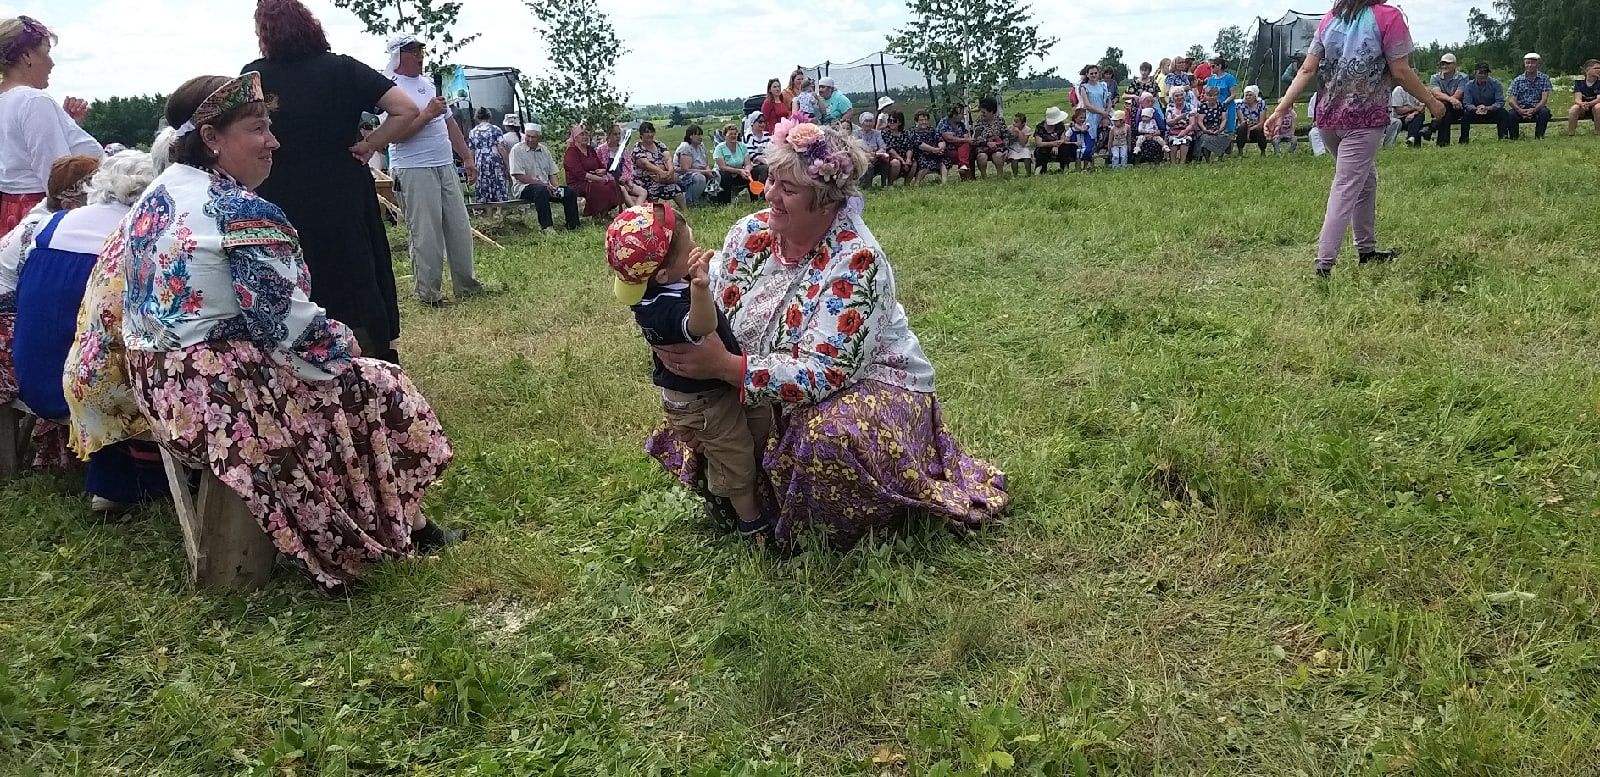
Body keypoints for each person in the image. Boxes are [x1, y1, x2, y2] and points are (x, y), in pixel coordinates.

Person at [69, 73, 459, 589]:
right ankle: (405, 523)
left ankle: (393, 514)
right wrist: (351, 348)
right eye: (258, 128)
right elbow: (289, 332)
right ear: (211, 138)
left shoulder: (158, 193)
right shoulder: (240, 212)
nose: (273, 140)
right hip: (219, 396)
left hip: (160, 388)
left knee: (346, 376)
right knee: (379, 382)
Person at [644, 121, 1008, 546]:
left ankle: (822, 526)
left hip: (871, 380)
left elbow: (825, 373)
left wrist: (728, 369)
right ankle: (751, 499)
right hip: (759, 373)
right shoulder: (750, 233)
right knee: (704, 406)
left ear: (827, 203)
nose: (772, 196)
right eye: (771, 180)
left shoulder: (857, 260)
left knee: (829, 437)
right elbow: (710, 307)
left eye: (789, 190)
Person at [245, 0, 423, 362]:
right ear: (311, 25)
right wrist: (371, 144)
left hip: (282, 191)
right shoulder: (342, 69)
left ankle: (302, 356)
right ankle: (373, 354)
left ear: (264, 32)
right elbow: (406, 109)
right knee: (356, 266)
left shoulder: (255, 75)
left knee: (297, 272)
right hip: (343, 187)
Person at [1, 152, 167, 510]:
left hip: (31, 375)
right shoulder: (135, 236)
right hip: (82, 388)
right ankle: (127, 482)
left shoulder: (50, 225)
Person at [606, 204, 771, 536]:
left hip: (711, 393)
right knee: (735, 456)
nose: (696, 248)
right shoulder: (665, 308)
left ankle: (728, 487)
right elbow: (702, 325)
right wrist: (700, 289)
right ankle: (749, 521)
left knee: (756, 424)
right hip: (703, 402)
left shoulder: (656, 289)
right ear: (664, 274)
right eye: (689, 245)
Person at [1268, 0, 1442, 277]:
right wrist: (1432, 101)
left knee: (1365, 180)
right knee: (1346, 186)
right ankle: (1324, 263)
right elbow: (1401, 70)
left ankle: (1367, 250)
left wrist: (1281, 108)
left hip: (1327, 119)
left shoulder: (1331, 19)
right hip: (1364, 119)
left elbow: (1306, 70)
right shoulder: (1388, 16)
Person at [381, 35, 486, 307]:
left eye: (421, 50)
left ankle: (467, 285)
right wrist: (426, 114)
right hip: (413, 167)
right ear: (399, 56)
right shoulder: (389, 89)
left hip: (444, 164)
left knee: (459, 227)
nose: (420, 56)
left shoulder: (428, 83)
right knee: (426, 233)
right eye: (414, 51)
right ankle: (429, 294)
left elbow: (449, 123)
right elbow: (395, 136)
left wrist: (467, 157)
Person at [0, 15, 100, 235]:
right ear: (26, 55)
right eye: (46, 52)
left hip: (11, 213)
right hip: (40, 216)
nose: (52, 63)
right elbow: (58, 178)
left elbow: (18, 155)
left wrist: (65, 126)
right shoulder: (33, 101)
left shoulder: (6, 100)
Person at [509, 124, 580, 231]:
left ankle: (573, 225)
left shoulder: (544, 150)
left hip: (546, 187)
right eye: (528, 136)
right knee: (540, 190)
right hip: (524, 188)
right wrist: (543, 184)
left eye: (533, 137)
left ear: (539, 138)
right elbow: (519, 175)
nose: (530, 139)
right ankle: (547, 227)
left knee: (569, 191)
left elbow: (552, 172)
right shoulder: (517, 150)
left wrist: (555, 187)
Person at [564, 123, 624, 220]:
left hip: (595, 179)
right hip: (578, 182)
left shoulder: (590, 149)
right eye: (582, 134)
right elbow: (580, 174)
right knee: (600, 188)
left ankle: (604, 212)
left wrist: (603, 171)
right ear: (575, 137)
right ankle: (593, 214)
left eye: (587, 134)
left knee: (614, 186)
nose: (585, 137)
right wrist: (598, 179)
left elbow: (601, 165)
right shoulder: (572, 152)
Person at [632, 121, 685, 210]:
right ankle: (653, 211)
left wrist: (670, 171)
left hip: (663, 177)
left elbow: (668, 158)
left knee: (674, 188)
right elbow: (645, 164)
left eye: (651, 132)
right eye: (646, 132)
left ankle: (685, 210)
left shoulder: (660, 145)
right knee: (655, 188)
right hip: (646, 180)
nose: (650, 134)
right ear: (641, 135)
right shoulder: (638, 148)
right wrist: (661, 172)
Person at [598, 122, 648, 208]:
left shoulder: (623, 149)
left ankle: (635, 211)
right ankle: (635, 212)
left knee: (643, 192)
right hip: (609, 181)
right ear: (609, 135)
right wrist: (617, 181)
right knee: (623, 190)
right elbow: (601, 167)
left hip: (624, 179)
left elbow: (628, 166)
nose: (618, 136)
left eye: (619, 134)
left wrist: (626, 179)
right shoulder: (601, 150)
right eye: (615, 134)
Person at [1505, 52, 1553, 140]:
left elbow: (1544, 99)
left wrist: (1534, 110)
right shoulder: (1517, 80)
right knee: (1510, 114)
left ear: (1538, 64)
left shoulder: (1544, 78)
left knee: (1545, 112)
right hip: (1521, 107)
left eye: (1532, 63)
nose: (1530, 65)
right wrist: (1520, 111)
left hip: (1537, 107)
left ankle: (1539, 137)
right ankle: (1514, 138)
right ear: (1524, 64)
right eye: (1527, 63)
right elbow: (1511, 100)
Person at [466, 108, 510, 202]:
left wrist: (472, 166)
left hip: (480, 160)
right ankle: (499, 210)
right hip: (494, 159)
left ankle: (488, 210)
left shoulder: (473, 132)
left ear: (477, 117)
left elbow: (471, 151)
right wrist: (507, 164)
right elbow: (501, 148)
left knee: (483, 184)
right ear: (489, 116)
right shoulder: (495, 129)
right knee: (497, 182)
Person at [1461, 63, 1509, 143]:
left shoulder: (1496, 84)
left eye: (1485, 73)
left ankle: (1503, 138)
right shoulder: (1469, 85)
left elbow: (1500, 102)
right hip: (1475, 111)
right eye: (1480, 73)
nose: (1483, 75)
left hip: (1491, 111)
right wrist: (1476, 108)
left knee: (1503, 113)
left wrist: (1488, 108)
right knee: (1465, 115)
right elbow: (1467, 103)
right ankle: (1463, 140)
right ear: (1475, 73)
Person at [711, 123, 759, 203]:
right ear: (724, 136)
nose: (733, 136)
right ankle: (725, 202)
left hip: (739, 173)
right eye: (730, 134)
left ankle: (755, 200)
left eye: (735, 134)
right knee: (725, 175)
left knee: (753, 172)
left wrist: (747, 171)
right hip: (722, 175)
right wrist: (739, 171)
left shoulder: (742, 146)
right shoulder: (719, 148)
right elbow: (722, 167)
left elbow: (748, 163)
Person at [1428, 53, 1469, 146]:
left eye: (1448, 63)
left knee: (1445, 109)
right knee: (1446, 111)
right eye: (1443, 64)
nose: (1444, 66)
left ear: (1455, 65)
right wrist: (1450, 100)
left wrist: (1450, 100)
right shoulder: (1434, 77)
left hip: (1458, 107)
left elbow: (1459, 94)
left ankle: (1433, 129)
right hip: (1442, 107)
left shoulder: (1463, 77)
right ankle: (1442, 142)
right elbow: (1436, 94)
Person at [1076, 65, 1111, 165]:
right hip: (1091, 117)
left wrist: (1106, 114)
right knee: (1089, 147)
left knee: (1107, 140)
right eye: (1091, 73)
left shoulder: (1103, 85)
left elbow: (1109, 102)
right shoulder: (1084, 88)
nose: (1094, 75)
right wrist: (1102, 112)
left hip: (1104, 117)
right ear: (1087, 74)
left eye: (1095, 73)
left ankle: (1108, 163)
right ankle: (1087, 165)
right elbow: (1087, 105)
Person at [675, 124, 714, 205]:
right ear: (691, 136)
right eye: (698, 134)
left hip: (700, 171)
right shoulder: (685, 147)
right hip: (682, 176)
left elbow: (705, 163)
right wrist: (704, 172)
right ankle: (691, 201)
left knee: (716, 175)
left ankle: (709, 197)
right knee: (700, 178)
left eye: (701, 135)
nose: (700, 137)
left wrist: (709, 171)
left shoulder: (701, 146)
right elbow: (685, 169)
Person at [853, 112, 894, 187]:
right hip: (861, 158)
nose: (868, 124)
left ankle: (884, 185)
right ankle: (867, 186)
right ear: (862, 122)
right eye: (866, 121)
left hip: (875, 156)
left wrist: (875, 154)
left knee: (885, 161)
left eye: (870, 121)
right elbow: (855, 148)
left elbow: (883, 147)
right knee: (869, 164)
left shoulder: (877, 133)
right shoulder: (856, 133)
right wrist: (867, 155)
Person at [971, 97, 1008, 179]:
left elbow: (1005, 135)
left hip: (997, 147)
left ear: (991, 111)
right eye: (981, 112)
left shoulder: (1000, 121)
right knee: (981, 157)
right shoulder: (979, 122)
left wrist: (1006, 148)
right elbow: (976, 138)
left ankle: (1000, 176)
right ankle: (984, 177)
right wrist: (986, 142)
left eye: (984, 112)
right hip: (983, 147)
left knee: (998, 156)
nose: (982, 114)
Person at [908, 110, 947, 184]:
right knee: (926, 163)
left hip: (935, 152)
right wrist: (933, 149)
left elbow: (940, 139)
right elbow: (919, 144)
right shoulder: (912, 131)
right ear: (916, 121)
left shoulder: (932, 129)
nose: (924, 122)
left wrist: (941, 148)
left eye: (926, 120)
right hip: (920, 154)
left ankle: (944, 183)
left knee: (943, 161)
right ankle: (917, 183)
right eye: (921, 120)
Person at [937, 105, 975, 179]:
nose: (963, 117)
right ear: (954, 115)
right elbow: (948, 139)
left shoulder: (961, 124)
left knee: (967, 147)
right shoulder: (944, 122)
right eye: (961, 114)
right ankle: (964, 168)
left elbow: (966, 135)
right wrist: (964, 140)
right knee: (965, 151)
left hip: (960, 149)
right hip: (947, 150)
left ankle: (964, 169)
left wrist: (968, 140)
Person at [1034, 106, 1072, 172]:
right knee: (1041, 151)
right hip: (1045, 148)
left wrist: (1056, 145)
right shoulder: (1040, 127)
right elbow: (1039, 143)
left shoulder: (1060, 126)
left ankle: (1065, 168)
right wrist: (1052, 144)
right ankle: (1040, 169)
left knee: (1065, 148)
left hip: (1058, 148)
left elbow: (1063, 139)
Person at [881, 111, 914, 186]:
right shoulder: (885, 133)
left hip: (904, 155)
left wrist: (908, 159)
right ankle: (890, 184)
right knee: (896, 163)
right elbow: (889, 149)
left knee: (913, 163)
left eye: (894, 121)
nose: (891, 123)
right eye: (890, 121)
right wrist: (902, 160)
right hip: (891, 157)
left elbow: (909, 147)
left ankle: (907, 184)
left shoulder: (906, 133)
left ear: (900, 122)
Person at [1206, 57, 1239, 131]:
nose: (1211, 68)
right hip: (1213, 108)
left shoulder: (1229, 78)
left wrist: (1224, 103)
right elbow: (1207, 93)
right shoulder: (1210, 79)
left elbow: (1233, 94)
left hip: (1227, 107)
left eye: (1213, 66)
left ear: (1219, 66)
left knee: (1228, 130)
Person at [1568, 59, 1600, 135]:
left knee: (1598, 107)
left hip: (1595, 106)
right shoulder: (1579, 83)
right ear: (1587, 70)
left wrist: (1589, 104)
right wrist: (1582, 104)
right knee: (1574, 109)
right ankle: (1571, 133)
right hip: (1583, 107)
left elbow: (1599, 99)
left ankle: (1598, 132)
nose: (1599, 70)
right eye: (1596, 68)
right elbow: (1577, 99)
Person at [1165, 86, 1196, 163]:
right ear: (1173, 97)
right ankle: (1173, 164)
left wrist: (1184, 132)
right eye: (1176, 96)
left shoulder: (1190, 107)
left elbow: (1192, 124)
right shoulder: (1170, 107)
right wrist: (1178, 118)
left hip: (1186, 130)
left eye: (1181, 95)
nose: (1179, 97)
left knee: (1185, 141)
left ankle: (1182, 163)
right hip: (1173, 130)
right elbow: (1169, 123)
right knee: (1173, 141)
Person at [1235, 85, 1268, 154]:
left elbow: (1261, 122)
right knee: (1242, 127)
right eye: (1246, 95)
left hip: (1256, 127)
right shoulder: (1240, 104)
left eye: (1250, 95)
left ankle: (1263, 151)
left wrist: (1251, 129)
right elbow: (1242, 121)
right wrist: (1248, 130)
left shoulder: (1261, 104)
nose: (1248, 97)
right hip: (1245, 128)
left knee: (1259, 129)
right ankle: (1240, 151)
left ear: (1255, 96)